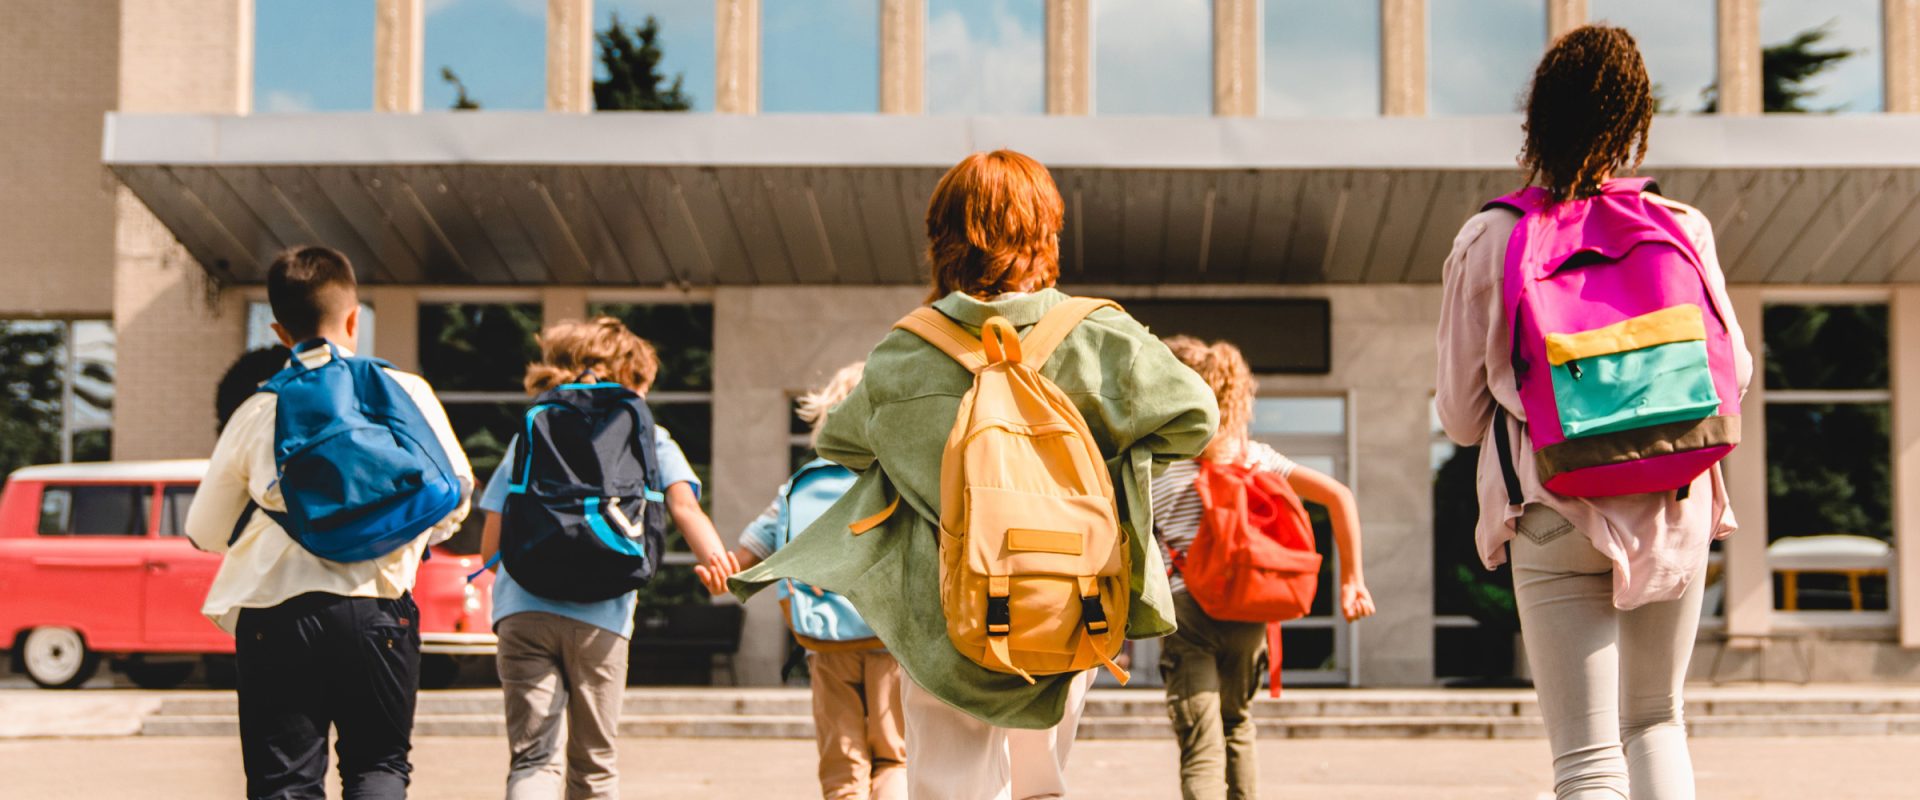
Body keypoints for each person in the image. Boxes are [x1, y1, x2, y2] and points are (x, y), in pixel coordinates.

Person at [728, 149, 1218, 800]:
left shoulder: (907, 349)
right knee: (1041, 784)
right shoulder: (1099, 333)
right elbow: (1195, 417)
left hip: (944, 610)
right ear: (1046, 230)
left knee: (949, 788)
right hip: (1070, 599)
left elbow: (844, 445)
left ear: (942, 236)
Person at [1435, 26, 1752, 800]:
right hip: (1675, 498)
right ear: (1635, 119)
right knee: (1656, 720)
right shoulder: (1681, 225)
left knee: (1585, 759)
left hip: (1554, 502)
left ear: (1536, 120)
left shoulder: (1491, 235)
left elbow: (1459, 417)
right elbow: (1732, 374)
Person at [184, 246, 475, 799]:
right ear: (353, 317)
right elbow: (454, 495)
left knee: (285, 782)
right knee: (378, 767)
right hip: (379, 606)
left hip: (276, 612)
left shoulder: (259, 409)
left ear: (279, 329)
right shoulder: (405, 391)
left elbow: (204, 530)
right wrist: (390, 533)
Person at [477, 316, 738, 800]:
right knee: (594, 766)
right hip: (603, 616)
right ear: (631, 379)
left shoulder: (534, 430)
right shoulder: (649, 437)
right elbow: (684, 507)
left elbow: (491, 547)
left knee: (534, 759)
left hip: (524, 610)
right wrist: (720, 565)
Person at [1152, 336, 1376, 800]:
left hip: (1186, 611)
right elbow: (1340, 496)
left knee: (1200, 743)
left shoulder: (1157, 462)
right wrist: (1352, 580)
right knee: (1237, 725)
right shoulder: (1255, 457)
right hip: (1248, 612)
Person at [699, 362, 906, 800]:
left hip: (825, 640)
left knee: (842, 761)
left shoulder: (800, 485)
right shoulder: (899, 480)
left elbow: (743, 561)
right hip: (891, 639)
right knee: (894, 757)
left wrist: (720, 575)